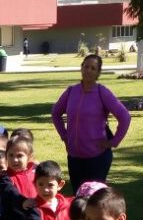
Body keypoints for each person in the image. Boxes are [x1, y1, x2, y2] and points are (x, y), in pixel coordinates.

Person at [51, 53, 132, 193]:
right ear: (81, 68)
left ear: (98, 73)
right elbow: (55, 113)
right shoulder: (71, 91)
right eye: (86, 66)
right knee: (79, 197)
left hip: (97, 158)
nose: (88, 70)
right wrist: (64, 136)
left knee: (94, 198)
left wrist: (113, 142)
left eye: (93, 68)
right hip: (74, 157)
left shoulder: (102, 92)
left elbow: (125, 117)